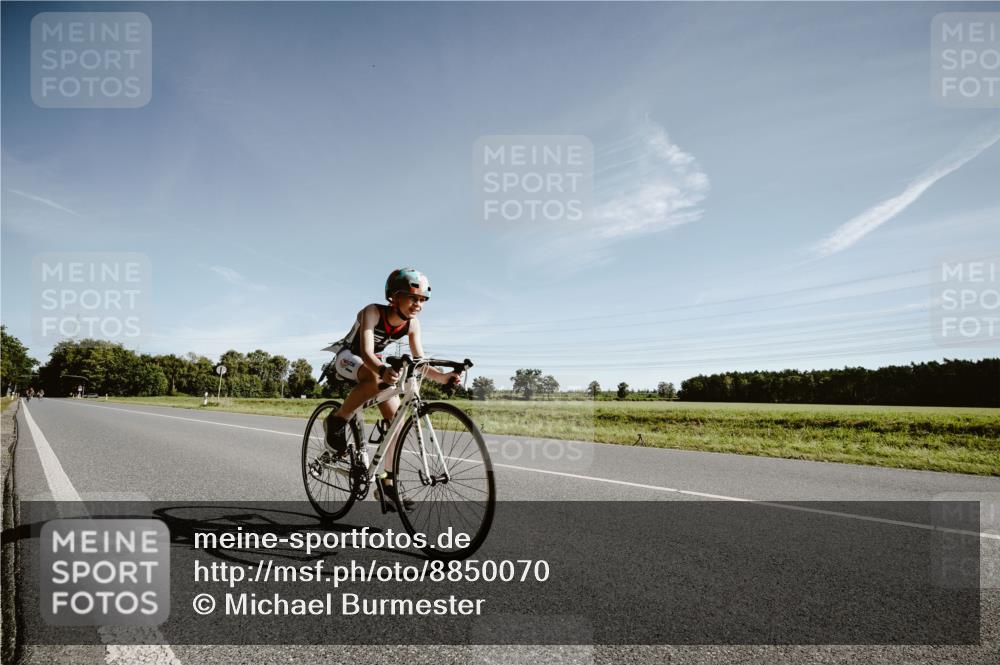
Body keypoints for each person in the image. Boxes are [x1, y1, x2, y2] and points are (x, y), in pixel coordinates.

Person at [323, 268, 460, 510]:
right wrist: (383, 369)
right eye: (412, 297)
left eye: (422, 300)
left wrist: (444, 377)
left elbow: (420, 362)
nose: (417, 304)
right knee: (377, 380)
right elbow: (365, 352)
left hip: (372, 361)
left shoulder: (413, 324)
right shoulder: (373, 312)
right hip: (349, 357)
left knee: (396, 421)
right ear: (393, 297)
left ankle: (387, 483)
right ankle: (336, 421)